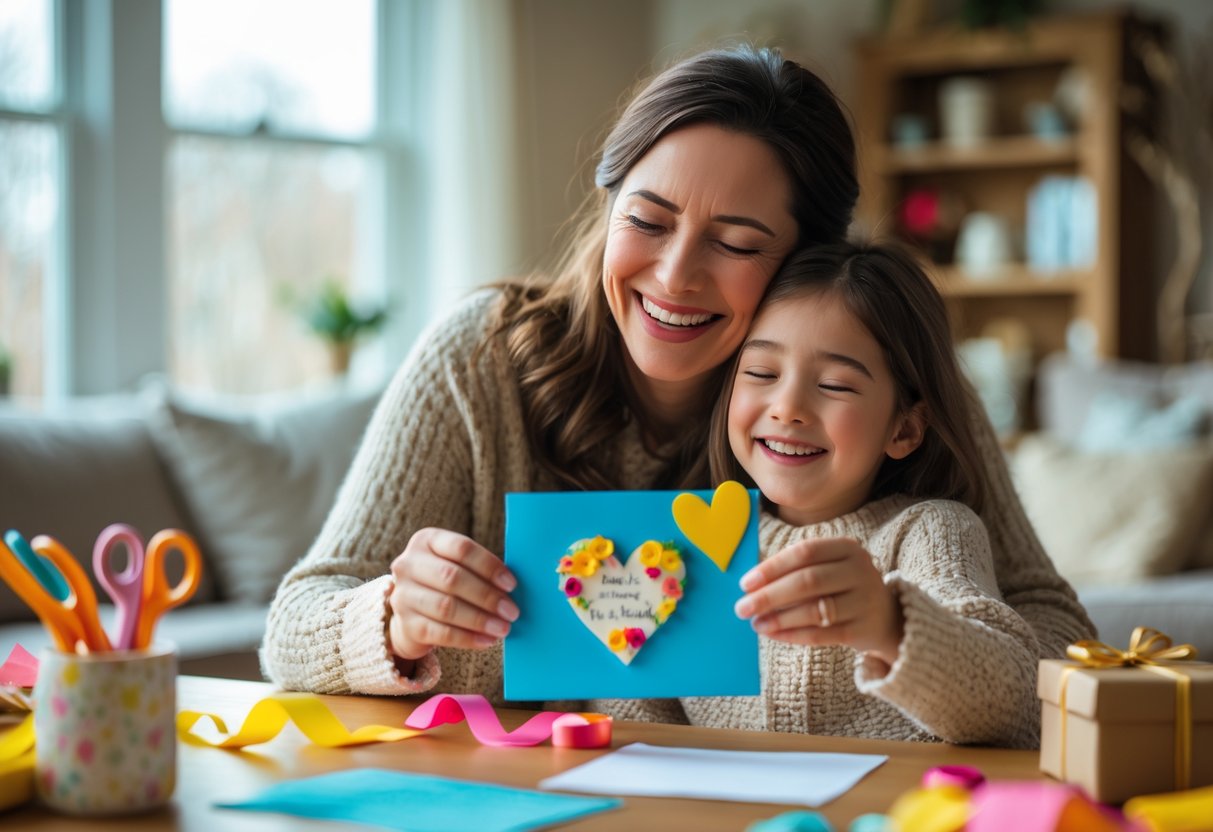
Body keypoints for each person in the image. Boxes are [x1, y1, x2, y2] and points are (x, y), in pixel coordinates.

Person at [260, 44, 1092, 703]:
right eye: (647, 221)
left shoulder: (874, 385)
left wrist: (897, 632)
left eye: (734, 243)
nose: (674, 276)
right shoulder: (479, 356)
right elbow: (292, 625)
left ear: (809, 263)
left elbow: (1054, 633)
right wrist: (395, 620)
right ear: (609, 207)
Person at [657, 242, 1038, 747]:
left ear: (903, 429)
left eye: (835, 385)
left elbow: (1012, 701)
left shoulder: (930, 532)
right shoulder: (683, 546)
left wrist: (890, 624)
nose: (788, 407)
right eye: (762, 373)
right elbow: (632, 710)